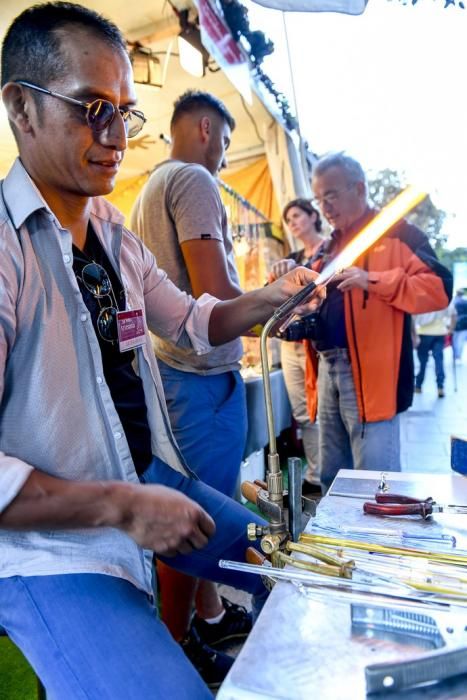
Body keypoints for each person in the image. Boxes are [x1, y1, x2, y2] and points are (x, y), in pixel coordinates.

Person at [0, 4, 322, 698]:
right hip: (45, 548)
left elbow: (195, 321)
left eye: (122, 109)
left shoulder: (113, 233)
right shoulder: (5, 250)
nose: (115, 136)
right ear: (22, 109)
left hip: (143, 476)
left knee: (293, 571)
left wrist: (271, 298)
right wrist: (119, 505)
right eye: (91, 108)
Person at [130, 91, 250, 658]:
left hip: (178, 373)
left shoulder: (152, 186)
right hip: (197, 376)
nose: (224, 158)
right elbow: (214, 294)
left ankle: (202, 621)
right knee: (191, 524)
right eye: (225, 142)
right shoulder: (195, 180)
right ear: (205, 127)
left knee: (195, 513)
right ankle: (176, 650)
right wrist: (278, 306)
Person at [302, 152, 452, 491]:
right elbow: (308, 291)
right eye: (319, 198)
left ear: (359, 188)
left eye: (331, 195)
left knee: (376, 482)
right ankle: (335, 544)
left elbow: (439, 289)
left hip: (374, 375)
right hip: (327, 367)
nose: (324, 206)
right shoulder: (329, 246)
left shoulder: (399, 234)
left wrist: (373, 279)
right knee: (332, 476)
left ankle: (375, 543)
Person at [268, 199, 325, 495]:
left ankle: (320, 473)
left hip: (318, 345)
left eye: (297, 215)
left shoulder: (329, 252)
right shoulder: (290, 258)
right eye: (288, 218)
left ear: (313, 216)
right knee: (303, 412)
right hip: (291, 342)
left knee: (322, 410)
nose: (292, 222)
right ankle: (315, 472)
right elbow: (274, 298)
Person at [414, 305, 457, 397]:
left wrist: (413, 335)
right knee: (439, 360)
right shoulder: (441, 299)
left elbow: (412, 318)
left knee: (423, 362)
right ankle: (440, 386)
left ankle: (418, 385)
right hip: (439, 333)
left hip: (423, 333)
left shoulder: (421, 299)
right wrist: (451, 329)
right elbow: (454, 314)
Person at [453, 288, 467, 362]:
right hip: (465, 324)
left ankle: (456, 355)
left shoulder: (454, 302)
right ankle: (458, 356)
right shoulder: (465, 302)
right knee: (461, 341)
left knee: (455, 340)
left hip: (455, 324)